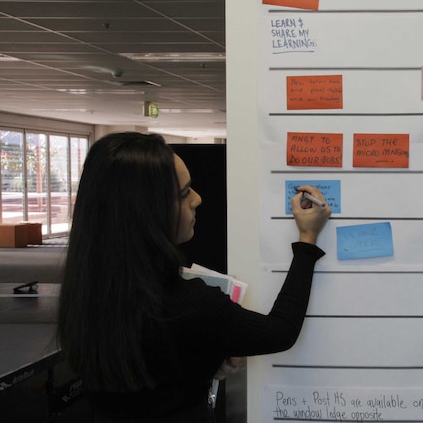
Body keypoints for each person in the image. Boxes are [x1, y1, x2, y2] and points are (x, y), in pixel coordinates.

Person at [57, 132, 331, 422]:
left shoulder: (85, 296)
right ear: (147, 210)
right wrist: (307, 241)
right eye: (185, 192)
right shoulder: (190, 306)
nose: (198, 199)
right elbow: (281, 331)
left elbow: (147, 376)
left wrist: (200, 360)